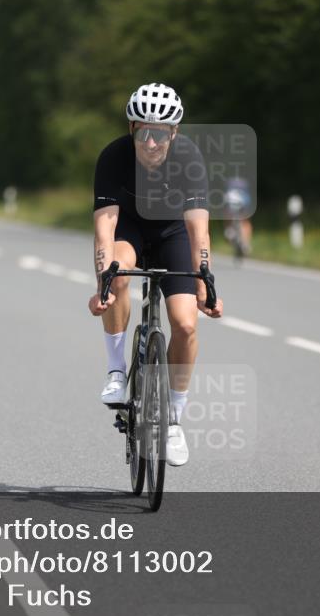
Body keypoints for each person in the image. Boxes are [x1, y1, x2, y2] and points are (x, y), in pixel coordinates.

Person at [88, 82, 223, 467]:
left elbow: (199, 230)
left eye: (159, 133)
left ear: (173, 133)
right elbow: (105, 230)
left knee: (186, 324)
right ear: (132, 130)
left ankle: (174, 419)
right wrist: (103, 284)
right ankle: (116, 371)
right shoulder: (113, 158)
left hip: (172, 233)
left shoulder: (190, 159)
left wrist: (205, 283)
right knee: (118, 276)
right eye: (143, 132)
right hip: (129, 229)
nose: (151, 143)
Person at [223, 175, 253, 258]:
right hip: (243, 197)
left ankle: (229, 231)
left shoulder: (229, 183)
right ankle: (246, 243)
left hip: (231, 198)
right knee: (245, 220)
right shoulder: (244, 183)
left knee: (228, 213)